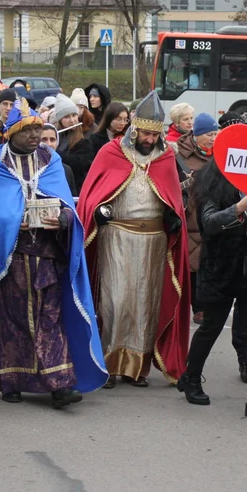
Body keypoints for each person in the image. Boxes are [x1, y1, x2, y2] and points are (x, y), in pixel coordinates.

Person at [0, 98, 108, 408]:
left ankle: (61, 384)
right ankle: (11, 380)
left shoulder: (51, 160)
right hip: (7, 258)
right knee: (9, 319)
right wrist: (10, 220)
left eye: (37, 129)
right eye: (27, 130)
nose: (35, 135)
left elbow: (67, 206)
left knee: (50, 317)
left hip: (46, 255)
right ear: (10, 133)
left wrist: (63, 219)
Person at [78, 91, 189, 387]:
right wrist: (98, 212)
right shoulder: (111, 153)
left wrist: (173, 217)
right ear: (133, 129)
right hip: (116, 235)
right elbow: (91, 195)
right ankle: (109, 364)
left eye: (155, 134)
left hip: (153, 241)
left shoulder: (166, 158)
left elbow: (174, 198)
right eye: (145, 133)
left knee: (145, 303)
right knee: (115, 301)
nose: (149, 139)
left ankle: (136, 368)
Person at [176, 160, 247, 422]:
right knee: (211, 327)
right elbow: (209, 223)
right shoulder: (214, 181)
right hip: (221, 267)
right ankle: (191, 377)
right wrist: (238, 208)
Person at [175, 113, 218, 325]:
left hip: (212, 212)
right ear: (197, 135)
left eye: (215, 133)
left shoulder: (219, 154)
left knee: (208, 263)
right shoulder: (179, 154)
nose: (213, 138)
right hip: (190, 215)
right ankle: (197, 306)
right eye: (209, 134)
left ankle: (206, 304)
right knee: (193, 266)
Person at [67, 102, 128, 192]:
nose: (122, 123)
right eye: (118, 119)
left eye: (125, 120)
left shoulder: (126, 138)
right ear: (109, 118)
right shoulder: (95, 139)